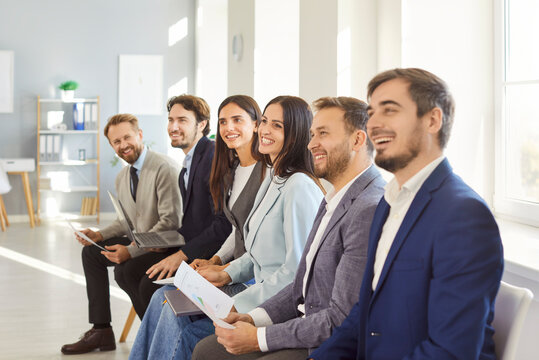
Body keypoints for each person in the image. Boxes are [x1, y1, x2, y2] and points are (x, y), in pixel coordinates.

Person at [310, 68, 504, 360]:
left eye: (390, 110)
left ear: (432, 120)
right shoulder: (389, 202)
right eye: (372, 112)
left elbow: (451, 351)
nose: (374, 123)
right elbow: (365, 308)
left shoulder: (464, 215)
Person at [130, 95, 324, 360]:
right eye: (265, 121)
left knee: (183, 326)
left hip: (271, 302)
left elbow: (296, 272)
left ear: (297, 132)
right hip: (249, 287)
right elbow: (252, 249)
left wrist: (234, 300)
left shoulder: (299, 186)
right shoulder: (275, 178)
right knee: (165, 298)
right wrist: (223, 273)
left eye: (276, 125)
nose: (265, 130)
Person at [192, 96, 386, 360]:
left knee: (205, 345)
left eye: (323, 134)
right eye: (313, 134)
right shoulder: (333, 196)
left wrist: (259, 336)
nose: (312, 143)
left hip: (326, 343)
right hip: (297, 315)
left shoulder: (366, 206)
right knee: (206, 349)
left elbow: (339, 318)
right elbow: (302, 283)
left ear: (358, 140)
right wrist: (252, 317)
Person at [129, 94, 265, 359]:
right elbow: (234, 228)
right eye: (223, 121)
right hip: (226, 264)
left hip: (245, 275)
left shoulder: (267, 174)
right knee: (161, 297)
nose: (228, 128)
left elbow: (239, 237)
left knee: (166, 299)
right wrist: (213, 259)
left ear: (257, 124)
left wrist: (221, 267)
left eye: (237, 120)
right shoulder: (233, 169)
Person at [61, 114, 182, 355]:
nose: (123, 145)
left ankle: (156, 333)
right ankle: (102, 330)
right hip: (142, 241)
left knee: (124, 270)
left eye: (127, 137)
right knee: (92, 253)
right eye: (116, 141)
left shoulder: (164, 168)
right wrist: (98, 235)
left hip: (168, 245)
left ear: (140, 135)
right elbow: (124, 222)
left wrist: (130, 251)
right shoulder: (123, 177)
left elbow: (171, 223)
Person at [123, 94, 232, 315]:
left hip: (210, 252)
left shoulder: (211, 158)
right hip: (190, 241)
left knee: (148, 283)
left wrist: (181, 254)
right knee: (127, 271)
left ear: (201, 124)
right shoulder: (190, 161)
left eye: (182, 120)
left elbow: (223, 225)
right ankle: (152, 338)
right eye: (171, 120)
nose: (173, 126)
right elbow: (194, 220)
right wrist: (166, 241)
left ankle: (163, 340)